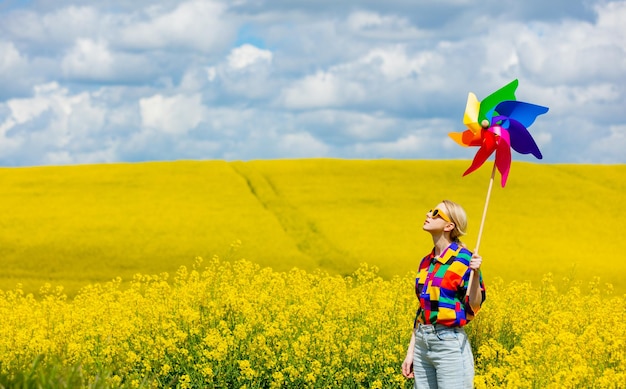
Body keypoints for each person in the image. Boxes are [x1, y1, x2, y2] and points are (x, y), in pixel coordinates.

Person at [401, 199, 486, 388]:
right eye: (430, 211)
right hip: (423, 342)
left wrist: (476, 273)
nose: (428, 215)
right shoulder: (426, 262)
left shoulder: (465, 259)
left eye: (436, 213)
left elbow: (474, 305)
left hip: (449, 344)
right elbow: (422, 310)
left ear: (449, 226)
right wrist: (411, 351)